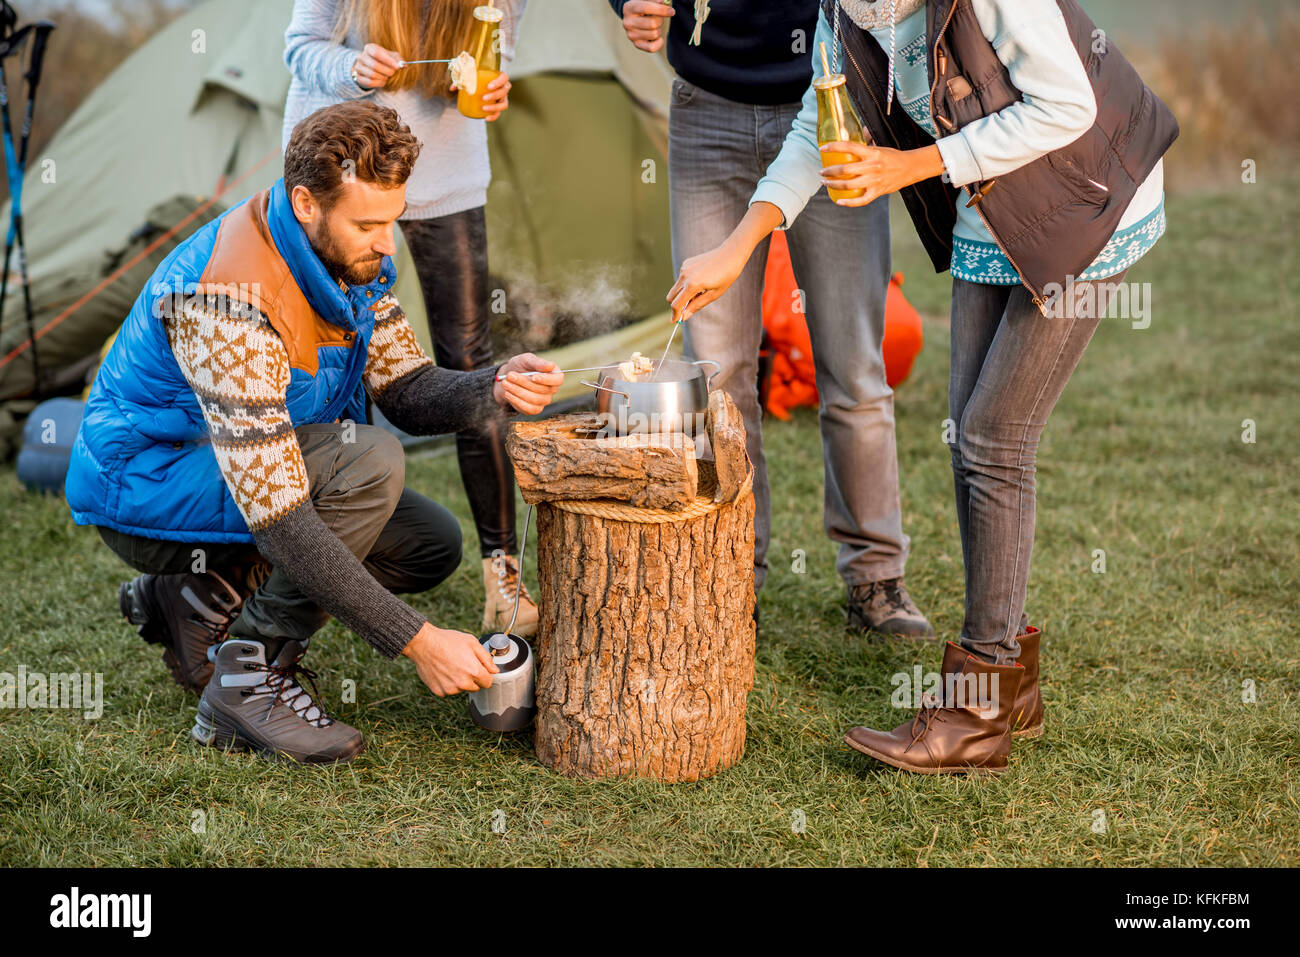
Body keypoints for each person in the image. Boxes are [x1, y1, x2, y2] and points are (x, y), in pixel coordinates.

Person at [668, 0, 1176, 774]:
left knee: (995, 439)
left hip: (1087, 196)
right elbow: (818, 121)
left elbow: (1069, 105)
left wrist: (911, 165)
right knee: (969, 443)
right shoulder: (846, 9)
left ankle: (976, 709)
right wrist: (738, 249)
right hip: (993, 202)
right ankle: (1013, 687)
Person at [64, 102, 564, 764]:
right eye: (369, 224)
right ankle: (249, 678)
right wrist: (417, 641)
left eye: (393, 219)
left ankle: (195, 595)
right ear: (306, 203)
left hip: (225, 477)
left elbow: (406, 391)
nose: (389, 243)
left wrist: (491, 384)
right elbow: (279, 517)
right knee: (371, 464)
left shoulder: (351, 258)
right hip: (148, 482)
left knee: (426, 545)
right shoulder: (229, 299)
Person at [611, 0, 933, 638]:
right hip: (707, 108)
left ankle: (875, 578)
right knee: (718, 374)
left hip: (835, 102)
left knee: (853, 366)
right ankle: (733, 577)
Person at [283, 0, 539, 637]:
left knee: (472, 365)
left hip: (447, 174)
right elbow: (300, 47)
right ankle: (339, 563)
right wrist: (352, 67)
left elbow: (494, 61)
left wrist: (492, 88)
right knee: (342, 351)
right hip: (345, 180)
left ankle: (503, 580)